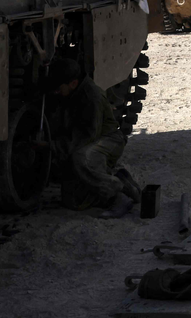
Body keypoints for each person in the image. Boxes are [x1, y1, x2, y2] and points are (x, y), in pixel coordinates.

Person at [45, 57, 142, 217]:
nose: (56, 92)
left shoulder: (92, 97)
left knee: (80, 158)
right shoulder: (71, 92)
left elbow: (88, 136)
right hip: (90, 138)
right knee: (74, 201)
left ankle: (117, 197)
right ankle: (121, 180)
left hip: (108, 139)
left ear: (73, 84)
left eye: (58, 88)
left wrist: (52, 146)